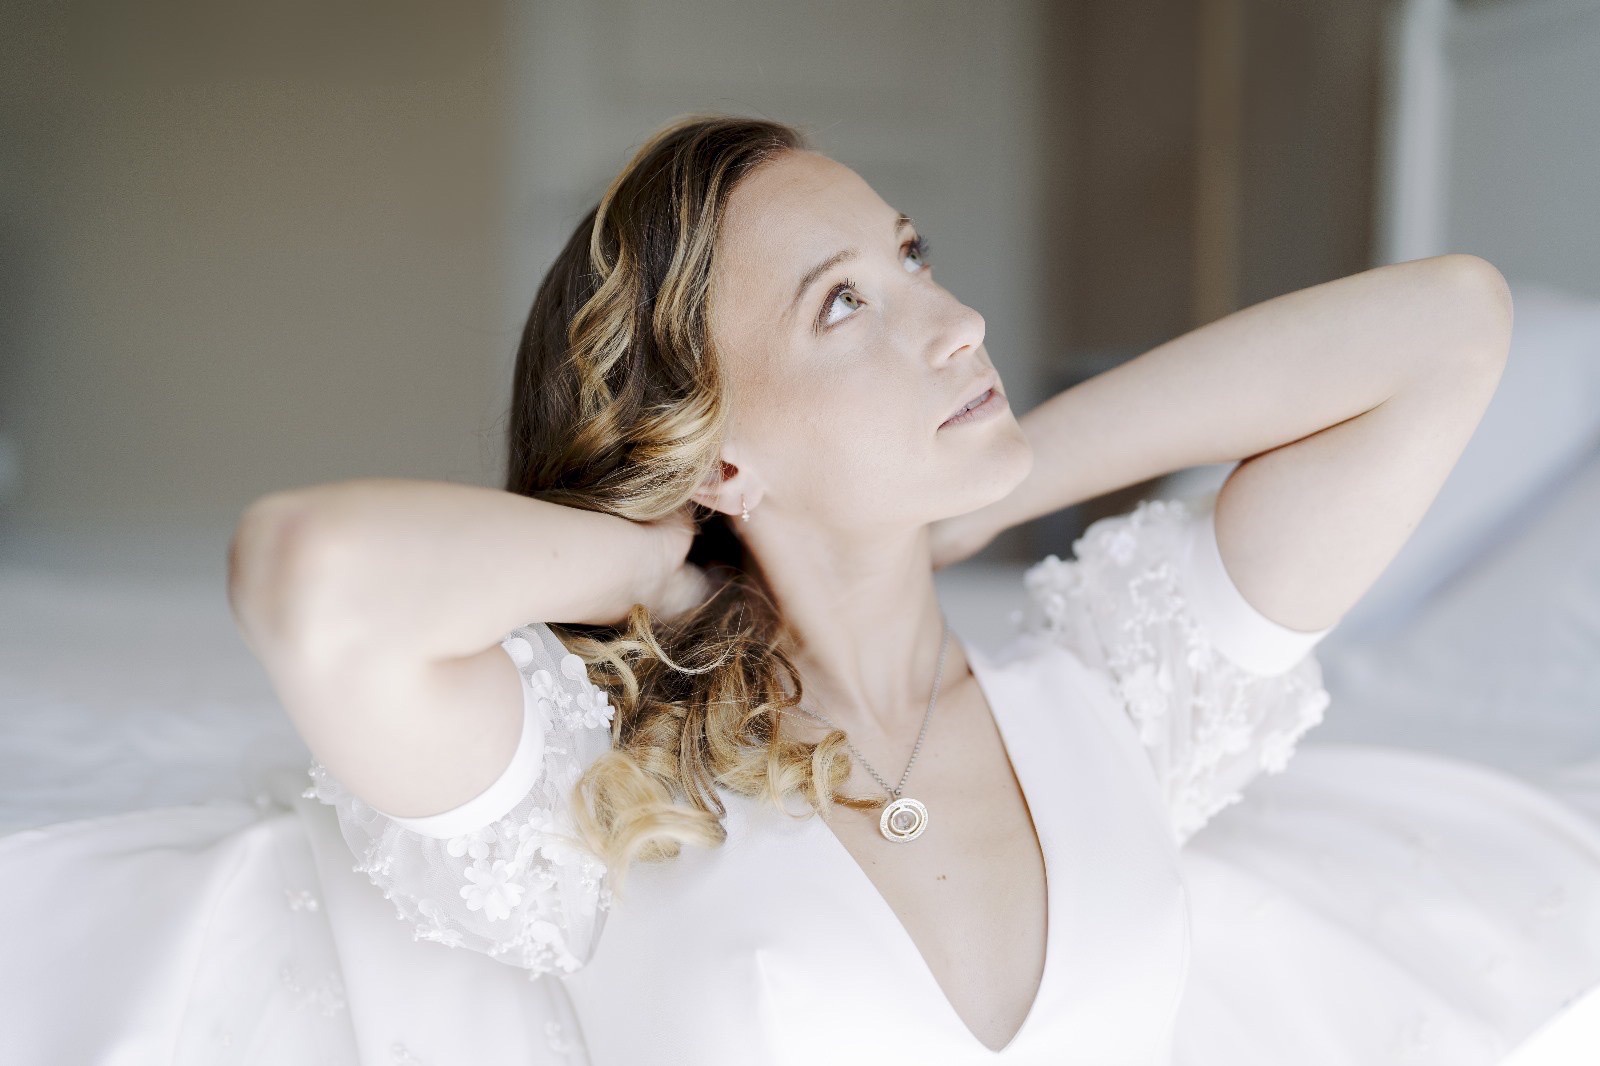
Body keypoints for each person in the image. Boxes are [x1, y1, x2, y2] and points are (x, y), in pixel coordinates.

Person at [5, 114, 1600, 1066]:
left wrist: (1006, 476)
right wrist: (658, 555)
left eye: (914, 256)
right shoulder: (603, 792)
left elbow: (1450, 327)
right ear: (719, 453)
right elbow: (308, 572)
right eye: (847, 304)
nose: (957, 321)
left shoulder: (1127, 690)